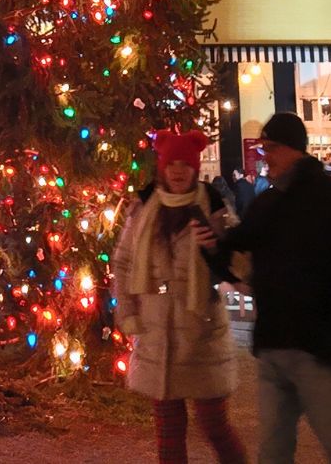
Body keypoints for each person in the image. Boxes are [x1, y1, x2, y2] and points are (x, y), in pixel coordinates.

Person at [201, 111, 331, 464]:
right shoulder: (268, 202)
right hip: (273, 346)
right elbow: (239, 250)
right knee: (272, 450)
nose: (265, 156)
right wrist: (211, 246)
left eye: (272, 148)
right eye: (263, 148)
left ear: (295, 149)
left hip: (319, 350)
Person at [112, 129, 247, 464]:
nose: (177, 171)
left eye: (184, 164)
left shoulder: (213, 205)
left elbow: (240, 265)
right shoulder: (145, 206)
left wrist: (216, 245)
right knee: (168, 430)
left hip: (201, 329)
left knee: (214, 423)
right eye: (171, 163)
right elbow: (125, 262)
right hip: (157, 330)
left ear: (195, 167)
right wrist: (129, 311)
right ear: (161, 166)